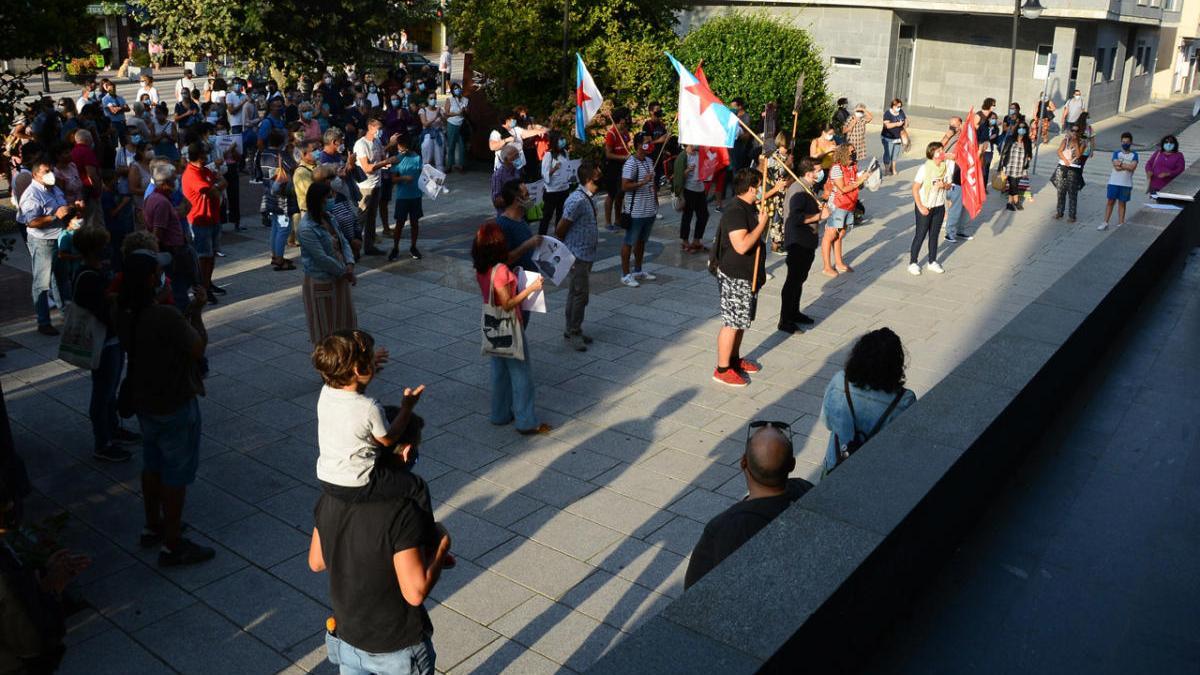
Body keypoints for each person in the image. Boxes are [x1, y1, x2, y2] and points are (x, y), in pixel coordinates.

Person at [115, 249, 215, 566]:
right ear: (150, 280)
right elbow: (197, 348)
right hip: (173, 401)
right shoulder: (163, 315)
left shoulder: (123, 310)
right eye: (159, 273)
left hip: (144, 400)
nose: (164, 277)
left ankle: (153, 524)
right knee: (176, 474)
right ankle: (172, 544)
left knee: (152, 463)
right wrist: (196, 310)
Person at [308, 457, 449, 675]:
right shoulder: (403, 511)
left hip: (348, 639)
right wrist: (441, 547)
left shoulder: (330, 499)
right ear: (407, 452)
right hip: (397, 648)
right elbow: (415, 592)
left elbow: (316, 562)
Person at [684, 421, 813, 588]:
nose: (768, 425)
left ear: (743, 463)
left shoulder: (728, 528)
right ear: (792, 465)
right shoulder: (805, 490)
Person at [471, 222, 550, 434]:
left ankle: (500, 413)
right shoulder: (501, 271)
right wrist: (532, 288)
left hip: (493, 327)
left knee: (499, 372)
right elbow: (507, 303)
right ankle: (526, 421)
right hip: (510, 326)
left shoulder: (482, 267)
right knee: (521, 374)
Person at [70, 225, 138, 462]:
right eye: (103, 246)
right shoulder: (88, 276)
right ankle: (103, 442)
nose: (107, 250)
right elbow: (103, 311)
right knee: (103, 391)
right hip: (103, 341)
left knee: (110, 388)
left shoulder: (96, 271)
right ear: (93, 250)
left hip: (112, 340)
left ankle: (112, 429)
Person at [821, 328, 916, 475]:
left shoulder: (840, 381)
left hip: (836, 464)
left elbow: (827, 421)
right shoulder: (904, 400)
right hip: (876, 474)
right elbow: (903, 444)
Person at [712, 168, 767, 388]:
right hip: (735, 275)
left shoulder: (749, 206)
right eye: (761, 185)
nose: (763, 190)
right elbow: (742, 245)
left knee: (741, 320)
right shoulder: (735, 211)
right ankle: (722, 368)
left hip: (748, 275)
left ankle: (734, 359)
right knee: (732, 322)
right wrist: (761, 225)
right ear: (752, 187)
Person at [18, 156, 78, 336]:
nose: (50, 174)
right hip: (43, 242)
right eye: (46, 171)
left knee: (60, 279)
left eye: (51, 170)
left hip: (60, 239)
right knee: (42, 283)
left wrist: (71, 210)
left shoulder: (54, 189)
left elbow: (61, 209)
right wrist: (54, 217)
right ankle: (43, 322)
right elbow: (30, 222)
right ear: (36, 175)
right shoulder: (31, 195)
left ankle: (66, 314)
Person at [299, 181, 358, 344]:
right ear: (319, 200)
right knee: (326, 330)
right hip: (322, 280)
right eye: (328, 197)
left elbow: (343, 241)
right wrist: (345, 272)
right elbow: (321, 259)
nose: (331, 200)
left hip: (340, 277)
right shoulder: (306, 228)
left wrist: (350, 263)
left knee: (345, 324)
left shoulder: (329, 217)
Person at [555, 161, 601, 352]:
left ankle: (572, 328)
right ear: (590, 178)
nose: (601, 176)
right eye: (598, 173)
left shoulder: (588, 197)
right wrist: (569, 253)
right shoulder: (577, 200)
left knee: (576, 293)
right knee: (580, 295)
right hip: (577, 255)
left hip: (585, 253)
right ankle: (574, 331)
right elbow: (560, 229)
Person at [778, 158, 826, 334]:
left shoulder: (807, 186)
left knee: (799, 280)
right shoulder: (798, 189)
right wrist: (818, 216)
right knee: (793, 281)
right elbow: (795, 217)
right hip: (798, 242)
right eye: (818, 170)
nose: (821, 173)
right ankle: (785, 319)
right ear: (808, 172)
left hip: (807, 241)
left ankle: (794, 312)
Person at [181, 141, 226, 303]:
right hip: (200, 221)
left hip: (213, 218)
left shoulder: (205, 170)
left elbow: (220, 184)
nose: (207, 157)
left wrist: (217, 185)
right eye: (204, 154)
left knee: (212, 255)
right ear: (199, 156)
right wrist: (217, 185)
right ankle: (202, 288)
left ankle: (208, 284)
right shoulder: (192, 174)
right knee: (203, 257)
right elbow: (213, 190)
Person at [619, 134, 659, 288]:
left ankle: (638, 270)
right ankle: (625, 274)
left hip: (649, 210)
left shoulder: (649, 161)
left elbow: (653, 184)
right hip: (635, 211)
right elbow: (625, 186)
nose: (650, 144)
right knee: (629, 241)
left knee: (642, 241)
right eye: (647, 143)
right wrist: (642, 182)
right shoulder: (631, 163)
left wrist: (655, 202)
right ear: (638, 145)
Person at [354, 120, 397, 256]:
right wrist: (384, 162)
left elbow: (382, 156)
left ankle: (369, 246)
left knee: (372, 217)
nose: (380, 131)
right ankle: (354, 248)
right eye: (378, 128)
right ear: (370, 127)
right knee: (361, 217)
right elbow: (366, 167)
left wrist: (387, 160)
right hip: (365, 186)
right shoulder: (361, 145)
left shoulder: (377, 142)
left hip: (377, 184)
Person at [908, 142, 949, 276]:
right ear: (932, 153)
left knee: (934, 235)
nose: (941, 153)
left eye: (942, 150)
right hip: (925, 205)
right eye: (938, 151)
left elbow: (949, 186)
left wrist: (944, 185)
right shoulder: (924, 168)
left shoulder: (945, 167)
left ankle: (932, 261)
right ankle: (913, 262)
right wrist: (920, 206)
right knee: (920, 234)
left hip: (939, 205)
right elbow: (915, 189)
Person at [822, 145, 863, 277]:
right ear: (844, 154)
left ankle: (839, 263)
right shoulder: (836, 168)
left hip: (849, 205)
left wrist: (863, 180)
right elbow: (842, 189)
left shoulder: (853, 167)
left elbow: (855, 185)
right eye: (851, 152)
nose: (854, 154)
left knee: (840, 234)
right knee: (830, 235)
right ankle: (827, 266)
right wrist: (859, 182)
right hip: (837, 205)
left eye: (854, 151)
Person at [258, 130, 297, 270]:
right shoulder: (281, 154)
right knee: (283, 228)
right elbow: (294, 167)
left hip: (269, 193)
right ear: (282, 142)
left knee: (275, 226)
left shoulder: (263, 154)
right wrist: (291, 152)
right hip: (283, 196)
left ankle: (275, 255)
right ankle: (279, 259)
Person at [389, 134, 424, 261]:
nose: (401, 149)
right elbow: (392, 179)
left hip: (416, 195)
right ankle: (395, 248)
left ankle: (413, 247)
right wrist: (403, 178)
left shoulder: (417, 158)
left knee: (415, 222)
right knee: (399, 223)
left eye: (402, 147)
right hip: (402, 196)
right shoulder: (396, 159)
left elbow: (423, 174)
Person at [938, 117, 972, 243]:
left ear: (961, 125)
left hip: (965, 175)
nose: (952, 128)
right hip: (952, 176)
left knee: (965, 207)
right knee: (955, 206)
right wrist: (947, 136)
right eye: (950, 126)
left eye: (954, 126)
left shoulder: (966, 137)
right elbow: (935, 150)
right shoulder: (949, 137)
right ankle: (950, 232)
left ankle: (961, 230)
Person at [673, 144, 710, 253]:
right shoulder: (683, 156)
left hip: (700, 189)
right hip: (688, 189)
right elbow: (678, 176)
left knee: (703, 215)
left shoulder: (700, 153)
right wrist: (687, 171)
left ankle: (696, 240)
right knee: (687, 216)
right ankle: (685, 241)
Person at [1101, 132, 1138, 231]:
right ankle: (1105, 222)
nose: (1125, 143)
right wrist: (1126, 165)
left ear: (1131, 143)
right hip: (1113, 182)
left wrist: (1121, 164)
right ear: (1121, 142)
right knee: (1110, 202)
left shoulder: (1134, 155)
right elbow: (1116, 167)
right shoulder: (1116, 153)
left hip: (1126, 183)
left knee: (1122, 203)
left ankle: (1120, 223)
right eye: (1123, 142)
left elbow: (1132, 167)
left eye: (1127, 142)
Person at [602, 108, 632, 230]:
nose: (629, 119)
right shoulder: (611, 134)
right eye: (627, 117)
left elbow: (627, 147)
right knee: (611, 194)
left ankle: (618, 220)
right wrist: (623, 157)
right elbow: (608, 154)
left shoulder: (625, 132)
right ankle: (608, 222)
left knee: (621, 194)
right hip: (613, 168)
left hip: (623, 167)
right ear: (621, 119)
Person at [763, 136, 792, 253]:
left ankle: (781, 242)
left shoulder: (787, 156)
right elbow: (771, 173)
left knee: (783, 217)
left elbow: (789, 174)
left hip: (784, 191)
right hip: (775, 191)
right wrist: (787, 165)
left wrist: (790, 163)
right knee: (776, 218)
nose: (786, 149)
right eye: (784, 147)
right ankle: (775, 244)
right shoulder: (773, 157)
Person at [539, 131, 572, 236]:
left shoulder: (565, 153)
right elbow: (544, 174)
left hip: (564, 189)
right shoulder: (549, 155)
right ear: (554, 141)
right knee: (547, 216)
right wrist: (554, 168)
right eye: (560, 139)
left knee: (561, 214)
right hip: (552, 191)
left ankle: (559, 236)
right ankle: (541, 236)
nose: (563, 141)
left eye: (563, 139)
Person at [1054, 125, 1084, 223]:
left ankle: (1072, 215)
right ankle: (1059, 212)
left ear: (1079, 133)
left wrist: (1075, 144)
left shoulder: (1082, 143)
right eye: (1072, 130)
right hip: (1063, 168)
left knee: (1072, 193)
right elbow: (1059, 151)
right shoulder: (1065, 141)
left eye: (1077, 131)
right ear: (1070, 131)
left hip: (1074, 170)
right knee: (1061, 192)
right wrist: (1065, 159)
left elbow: (1079, 155)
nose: (1074, 132)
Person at [999, 121, 1031, 212]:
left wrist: (1028, 159)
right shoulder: (1010, 139)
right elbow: (1004, 153)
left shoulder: (1027, 141)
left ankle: (1009, 202)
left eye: (1023, 128)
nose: (1021, 130)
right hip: (1010, 166)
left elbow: (1029, 154)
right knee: (1013, 183)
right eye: (1020, 128)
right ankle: (1016, 201)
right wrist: (1002, 166)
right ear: (1017, 129)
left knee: (1015, 184)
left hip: (1020, 167)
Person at [443, 82, 468, 173]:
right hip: (452, 124)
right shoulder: (449, 99)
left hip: (461, 125)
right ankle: (449, 165)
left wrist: (464, 111)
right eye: (455, 88)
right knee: (451, 145)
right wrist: (457, 113)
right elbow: (446, 113)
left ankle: (461, 165)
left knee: (462, 146)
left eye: (458, 88)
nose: (457, 90)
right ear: (452, 91)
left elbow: (467, 112)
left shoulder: (465, 100)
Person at [490, 145, 522, 215]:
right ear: (506, 159)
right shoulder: (498, 176)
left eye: (518, 155)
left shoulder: (517, 170)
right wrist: (514, 200)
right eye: (515, 156)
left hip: (519, 213)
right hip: (506, 215)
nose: (518, 158)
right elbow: (496, 201)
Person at [418, 93, 445, 172]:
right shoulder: (423, 110)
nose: (433, 100)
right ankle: (426, 177)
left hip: (438, 135)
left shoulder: (440, 110)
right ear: (427, 99)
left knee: (439, 158)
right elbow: (425, 124)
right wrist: (436, 116)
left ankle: (439, 179)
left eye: (434, 98)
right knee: (427, 158)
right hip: (427, 135)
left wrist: (442, 117)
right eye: (431, 98)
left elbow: (445, 123)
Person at [880, 98, 907, 176]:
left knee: (895, 154)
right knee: (888, 153)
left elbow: (905, 120)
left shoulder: (901, 112)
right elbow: (887, 125)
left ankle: (893, 168)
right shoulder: (887, 113)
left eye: (900, 106)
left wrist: (905, 125)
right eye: (897, 106)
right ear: (893, 106)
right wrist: (896, 124)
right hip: (888, 137)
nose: (899, 108)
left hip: (898, 137)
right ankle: (887, 169)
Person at [978, 111, 1000, 193]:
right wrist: (989, 138)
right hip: (981, 150)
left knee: (986, 169)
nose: (994, 120)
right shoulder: (983, 126)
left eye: (995, 119)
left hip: (989, 151)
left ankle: (983, 187)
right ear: (988, 119)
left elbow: (996, 140)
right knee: (979, 168)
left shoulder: (996, 129)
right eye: (992, 118)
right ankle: (977, 187)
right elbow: (980, 137)